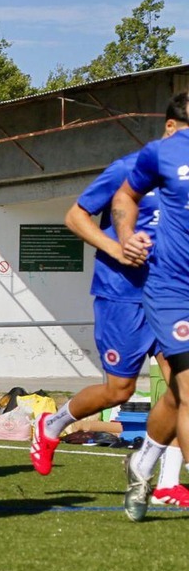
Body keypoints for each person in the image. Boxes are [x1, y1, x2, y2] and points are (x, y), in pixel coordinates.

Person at [27, 103, 187, 504]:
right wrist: (118, 248)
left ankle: (167, 481)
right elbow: (75, 216)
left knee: (181, 389)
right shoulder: (129, 168)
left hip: (171, 295)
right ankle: (53, 423)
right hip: (122, 294)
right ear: (171, 127)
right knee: (119, 390)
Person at [112, 89, 189, 521]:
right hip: (173, 288)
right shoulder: (161, 153)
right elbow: (124, 197)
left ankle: (143, 462)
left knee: (179, 396)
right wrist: (126, 238)